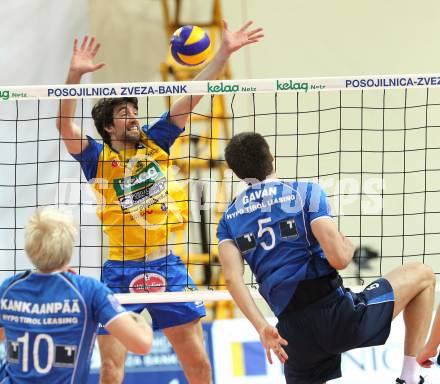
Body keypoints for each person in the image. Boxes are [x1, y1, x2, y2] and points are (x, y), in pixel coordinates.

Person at [56, 21, 264, 384]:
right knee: (110, 369)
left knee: (199, 366)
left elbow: (195, 92)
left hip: (167, 266)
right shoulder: (96, 158)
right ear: (108, 127)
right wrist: (74, 74)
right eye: (124, 115)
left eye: (134, 111)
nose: (134, 118)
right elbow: (65, 126)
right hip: (121, 272)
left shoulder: (157, 141)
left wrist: (224, 52)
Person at [216, 131, 435, 384]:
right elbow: (339, 260)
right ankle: (410, 378)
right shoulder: (305, 193)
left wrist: (261, 327)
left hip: (293, 336)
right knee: (423, 275)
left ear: (236, 173)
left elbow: (233, 280)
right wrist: (348, 245)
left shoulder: (229, 218)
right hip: (338, 317)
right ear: (272, 157)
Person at [0, 208, 152, 383]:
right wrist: (137, 320)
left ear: (29, 249)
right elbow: (142, 345)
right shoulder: (88, 290)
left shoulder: (9, 289)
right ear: (69, 249)